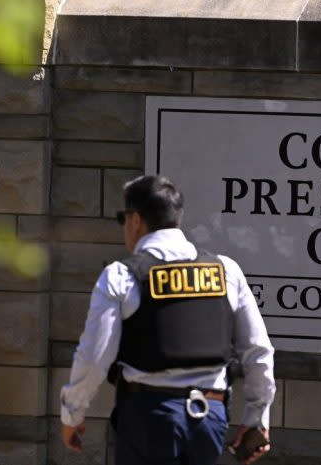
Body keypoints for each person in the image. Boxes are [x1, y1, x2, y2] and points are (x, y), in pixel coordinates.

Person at [60, 175, 276, 465]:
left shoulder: (122, 275)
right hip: (209, 417)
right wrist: (257, 418)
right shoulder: (226, 270)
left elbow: (94, 355)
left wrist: (73, 413)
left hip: (149, 417)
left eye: (123, 219)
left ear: (135, 220)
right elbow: (258, 351)